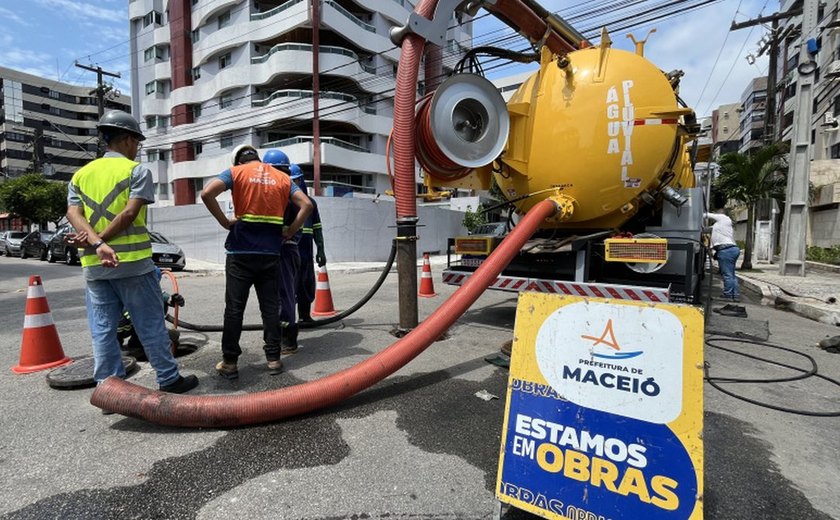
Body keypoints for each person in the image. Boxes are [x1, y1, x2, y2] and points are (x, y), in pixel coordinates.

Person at [66, 110, 198, 395]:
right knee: (149, 323)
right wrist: (101, 241)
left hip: (94, 265)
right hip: (132, 263)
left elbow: (72, 212)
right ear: (126, 139)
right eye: (136, 142)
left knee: (103, 328)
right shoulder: (137, 171)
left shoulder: (80, 175)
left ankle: (108, 388)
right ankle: (168, 379)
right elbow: (129, 212)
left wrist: (96, 244)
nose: (137, 148)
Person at [200, 145, 312, 379]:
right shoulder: (281, 177)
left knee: (234, 309)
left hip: (240, 253)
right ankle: (273, 359)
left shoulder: (235, 173)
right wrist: (290, 230)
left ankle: (230, 362)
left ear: (238, 161)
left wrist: (224, 221)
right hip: (271, 253)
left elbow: (206, 193)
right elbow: (307, 205)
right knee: (270, 308)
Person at [263, 150, 303, 354]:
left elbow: (307, 207)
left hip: (284, 250)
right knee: (281, 294)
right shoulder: (286, 188)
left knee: (283, 294)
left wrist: (288, 231)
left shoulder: (284, 189)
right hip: (285, 249)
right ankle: (281, 335)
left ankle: (288, 339)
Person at [117, 266, 185, 360]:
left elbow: (168, 299)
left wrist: (176, 300)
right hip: (121, 325)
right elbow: (140, 321)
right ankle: (116, 346)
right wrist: (165, 333)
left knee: (159, 304)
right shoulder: (130, 293)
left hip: (136, 324)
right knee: (123, 321)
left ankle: (137, 341)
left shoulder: (154, 291)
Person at [292, 165, 327, 323]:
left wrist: (321, 249)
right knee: (288, 286)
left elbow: (317, 228)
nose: (294, 184)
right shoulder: (283, 201)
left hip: (305, 255)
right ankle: (287, 321)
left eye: (296, 180)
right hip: (288, 253)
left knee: (306, 284)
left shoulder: (310, 203)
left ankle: (305, 316)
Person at [704, 208, 741, 302]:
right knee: (731, 274)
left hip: (726, 250)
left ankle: (728, 294)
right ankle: (735, 294)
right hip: (730, 249)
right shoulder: (719, 225)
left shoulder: (724, 218)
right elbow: (707, 230)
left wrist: (697, 212)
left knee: (727, 274)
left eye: (716, 213)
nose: (715, 214)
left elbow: (706, 215)